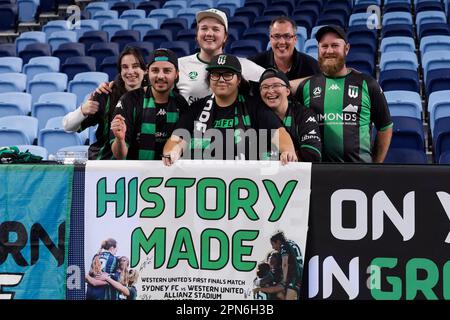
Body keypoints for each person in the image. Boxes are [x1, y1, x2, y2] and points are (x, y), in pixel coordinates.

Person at [162, 53, 297, 165]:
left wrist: (287, 151)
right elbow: (177, 139)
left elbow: (279, 134)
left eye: (227, 75)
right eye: (215, 74)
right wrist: (172, 152)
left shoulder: (254, 106)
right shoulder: (197, 108)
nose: (221, 79)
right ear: (209, 79)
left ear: (238, 80)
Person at [295, 25, 393, 163]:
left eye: (335, 45)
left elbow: (385, 127)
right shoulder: (307, 86)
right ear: (318, 49)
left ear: (346, 48)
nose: (329, 51)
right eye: (324, 46)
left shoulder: (367, 83)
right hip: (319, 173)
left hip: (360, 172)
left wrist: (376, 165)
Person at [63, 47, 147, 160]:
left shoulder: (155, 96)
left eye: (135, 66)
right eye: (125, 67)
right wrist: (82, 110)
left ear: (145, 70)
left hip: (142, 166)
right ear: (120, 71)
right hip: (104, 164)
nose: (130, 72)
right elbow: (68, 126)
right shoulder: (106, 94)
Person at [110, 48, 188, 160]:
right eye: (155, 70)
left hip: (169, 173)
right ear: (148, 72)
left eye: (167, 71)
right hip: (136, 174)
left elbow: (184, 144)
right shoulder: (129, 100)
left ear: (176, 74)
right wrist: (120, 139)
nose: (160, 76)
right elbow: (120, 155)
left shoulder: (180, 103)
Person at [176, 8, 266, 104]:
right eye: (204, 28)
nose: (209, 33)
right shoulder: (179, 65)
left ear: (225, 37)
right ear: (197, 35)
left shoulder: (243, 65)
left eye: (215, 29)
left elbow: (273, 80)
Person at [259, 68, 322, 162]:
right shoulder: (256, 114)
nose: (270, 91)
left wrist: (287, 157)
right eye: (265, 87)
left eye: (276, 85)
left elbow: (313, 153)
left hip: (298, 175)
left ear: (287, 91)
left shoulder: (303, 114)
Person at [249, 16, 320, 81]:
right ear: (270, 39)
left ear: (295, 39)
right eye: (276, 36)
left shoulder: (313, 67)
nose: (282, 42)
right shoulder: (254, 64)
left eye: (287, 36)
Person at [270, 231, 303, 300]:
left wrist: (284, 280)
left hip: (295, 277)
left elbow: (285, 264)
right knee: (279, 295)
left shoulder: (284, 246)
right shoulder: (291, 243)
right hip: (299, 274)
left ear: (278, 241)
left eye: (273, 244)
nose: (273, 247)